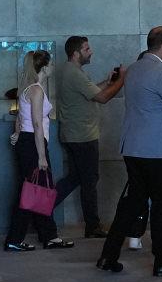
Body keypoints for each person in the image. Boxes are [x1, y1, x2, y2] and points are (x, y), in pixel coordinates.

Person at [96, 26, 162, 277]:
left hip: (132, 147)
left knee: (131, 204)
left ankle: (108, 256)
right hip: (158, 152)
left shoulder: (133, 70)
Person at [54, 35, 126, 238]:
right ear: (76, 53)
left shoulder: (73, 72)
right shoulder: (74, 74)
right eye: (87, 49)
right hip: (82, 137)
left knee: (75, 178)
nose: (91, 51)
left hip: (75, 135)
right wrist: (122, 80)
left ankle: (40, 211)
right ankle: (92, 226)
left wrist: (109, 81)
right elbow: (102, 98)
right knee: (89, 180)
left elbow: (92, 91)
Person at [4, 50, 75, 252]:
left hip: (27, 143)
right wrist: (42, 155)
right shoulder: (36, 90)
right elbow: (37, 123)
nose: (53, 67)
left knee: (40, 190)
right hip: (34, 144)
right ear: (44, 67)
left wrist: (17, 134)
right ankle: (16, 238)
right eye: (51, 64)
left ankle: (48, 235)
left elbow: (20, 118)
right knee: (32, 192)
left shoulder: (27, 88)